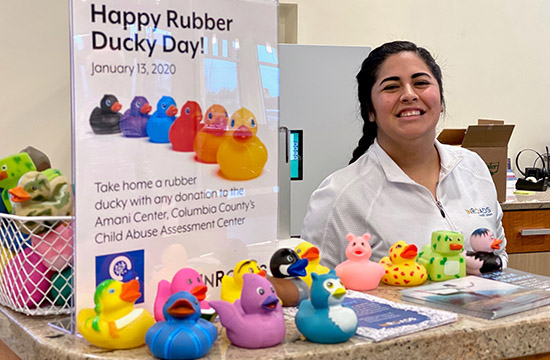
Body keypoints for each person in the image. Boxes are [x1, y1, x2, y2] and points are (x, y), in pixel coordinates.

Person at [301, 40, 508, 270]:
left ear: (440, 101)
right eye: (391, 87)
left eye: (420, 83)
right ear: (370, 110)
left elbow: (498, 254)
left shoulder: (473, 168)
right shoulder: (340, 196)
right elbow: (314, 286)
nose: (409, 95)